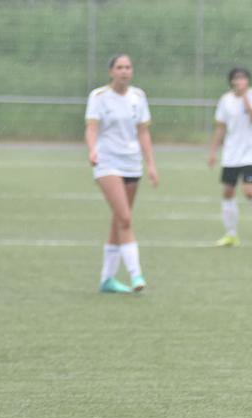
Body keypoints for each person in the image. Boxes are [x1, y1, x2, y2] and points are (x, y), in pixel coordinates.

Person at [85, 54, 158, 293]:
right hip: (107, 163)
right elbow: (92, 128)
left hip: (131, 163)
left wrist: (151, 164)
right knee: (125, 218)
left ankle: (107, 278)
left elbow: (143, 133)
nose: (124, 71)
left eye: (128, 67)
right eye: (119, 67)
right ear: (111, 72)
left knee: (119, 219)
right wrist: (93, 150)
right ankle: (137, 275)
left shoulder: (139, 97)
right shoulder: (99, 97)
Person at [208, 67, 252, 247]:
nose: (240, 81)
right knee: (228, 192)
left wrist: (244, 98)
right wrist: (214, 152)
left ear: (248, 81)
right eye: (236, 78)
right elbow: (220, 127)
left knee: (248, 191)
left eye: (243, 78)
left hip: (249, 153)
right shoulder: (225, 100)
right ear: (231, 81)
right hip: (231, 154)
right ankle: (231, 234)